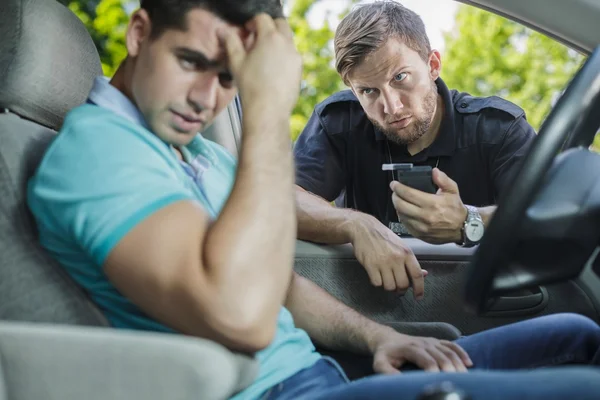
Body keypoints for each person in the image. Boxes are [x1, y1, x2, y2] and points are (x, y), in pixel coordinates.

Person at [27, 1, 600, 399]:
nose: (205, 100)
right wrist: (268, 109)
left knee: (578, 337)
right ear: (137, 34)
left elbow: (274, 279)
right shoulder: (98, 152)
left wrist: (382, 336)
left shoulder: (188, 152)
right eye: (190, 62)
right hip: (277, 391)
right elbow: (242, 317)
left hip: (316, 372)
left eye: (229, 79)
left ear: (433, 65)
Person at [294, 1, 536, 294]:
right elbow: (281, 203)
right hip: (367, 303)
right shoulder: (338, 123)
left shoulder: (498, 128)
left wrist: (470, 220)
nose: (392, 107)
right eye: (368, 91)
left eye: (400, 78)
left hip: (476, 302)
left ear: (433, 65)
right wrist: (356, 225)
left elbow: (547, 215)